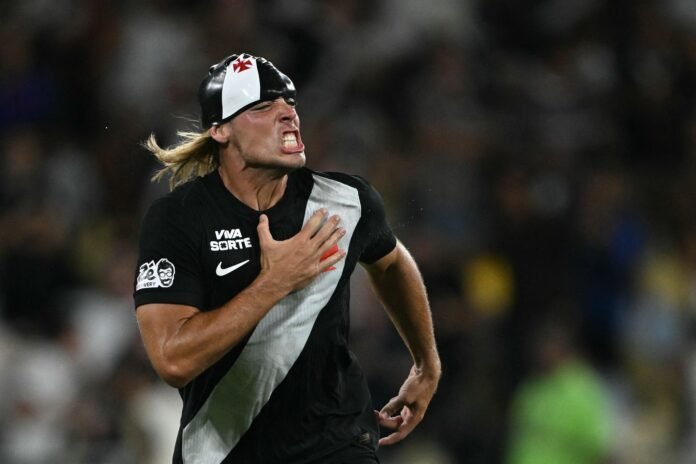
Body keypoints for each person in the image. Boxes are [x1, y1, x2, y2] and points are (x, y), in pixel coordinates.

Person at [133, 52, 441, 464]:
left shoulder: (347, 202)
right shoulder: (178, 219)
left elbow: (392, 264)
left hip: (337, 443)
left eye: (289, 102)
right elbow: (173, 360)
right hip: (224, 450)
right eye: (263, 107)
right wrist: (274, 282)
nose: (288, 114)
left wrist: (426, 363)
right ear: (220, 130)